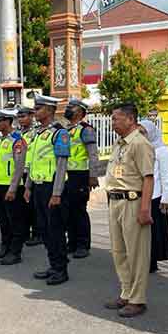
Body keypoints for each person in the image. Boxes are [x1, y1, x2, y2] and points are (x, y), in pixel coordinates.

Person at [103, 103, 155, 318]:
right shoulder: (119, 143)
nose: (113, 122)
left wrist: (145, 208)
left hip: (133, 202)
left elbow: (148, 178)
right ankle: (126, 292)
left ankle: (137, 299)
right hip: (115, 201)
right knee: (119, 251)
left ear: (130, 119)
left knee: (137, 254)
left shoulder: (139, 143)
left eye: (116, 118)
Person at [24, 94, 71, 285]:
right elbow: (32, 163)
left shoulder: (60, 134)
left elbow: (61, 165)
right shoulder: (37, 134)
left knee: (55, 230)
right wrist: (28, 186)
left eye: (38, 108)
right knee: (44, 230)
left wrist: (57, 193)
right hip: (38, 187)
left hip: (53, 188)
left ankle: (61, 269)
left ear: (50, 111)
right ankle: (53, 265)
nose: (35, 112)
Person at [0, 107, 28, 265]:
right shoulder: (0, 140)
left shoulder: (17, 140)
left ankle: (15, 252)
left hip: (11, 187)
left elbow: (19, 167)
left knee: (15, 221)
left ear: (8, 122)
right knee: (2, 220)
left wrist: (13, 188)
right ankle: (5, 248)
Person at [63, 98, 102, 259]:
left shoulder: (86, 130)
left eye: (71, 107)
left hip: (80, 175)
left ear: (79, 111)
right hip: (67, 175)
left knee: (79, 211)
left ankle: (82, 244)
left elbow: (93, 154)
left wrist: (93, 175)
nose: (68, 109)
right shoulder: (67, 129)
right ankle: (71, 243)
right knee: (68, 210)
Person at [138, 120, 168, 273]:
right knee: (142, 232)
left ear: (151, 132)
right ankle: (143, 260)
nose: (141, 136)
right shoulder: (141, 149)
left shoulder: (162, 151)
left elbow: (166, 176)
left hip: (156, 196)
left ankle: (152, 262)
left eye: (143, 132)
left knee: (154, 232)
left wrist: (166, 197)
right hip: (142, 194)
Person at [17, 105, 42, 247]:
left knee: (33, 205)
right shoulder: (19, 134)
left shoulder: (35, 133)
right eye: (19, 117)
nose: (21, 119)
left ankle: (38, 233)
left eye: (24, 116)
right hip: (20, 173)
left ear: (31, 116)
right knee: (23, 205)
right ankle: (25, 232)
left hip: (31, 172)